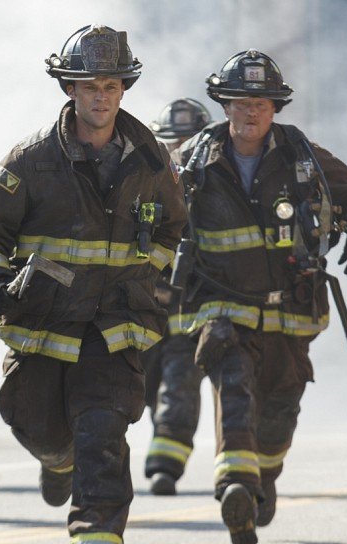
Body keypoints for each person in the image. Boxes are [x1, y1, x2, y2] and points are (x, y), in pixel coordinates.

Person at [0, 25, 185, 544]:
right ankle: (56, 462)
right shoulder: (31, 160)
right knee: (35, 423)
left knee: (103, 431)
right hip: (44, 325)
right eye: (88, 86)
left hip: (112, 328)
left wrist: (141, 282)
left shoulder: (152, 162)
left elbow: (171, 231)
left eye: (110, 85)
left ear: (124, 89)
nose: (100, 97)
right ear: (69, 89)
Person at [170, 50, 347, 544]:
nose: (251, 112)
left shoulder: (302, 157)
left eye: (261, 103)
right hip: (223, 305)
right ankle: (235, 488)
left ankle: (262, 477)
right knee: (234, 387)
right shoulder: (191, 163)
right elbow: (153, 217)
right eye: (241, 102)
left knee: (280, 412)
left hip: (292, 309)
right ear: (224, 104)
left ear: (275, 107)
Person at [141, 98, 211, 496]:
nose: (181, 149)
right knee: (146, 386)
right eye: (173, 142)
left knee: (180, 383)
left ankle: (166, 463)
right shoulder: (141, 182)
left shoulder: (218, 187)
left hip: (192, 310)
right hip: (145, 308)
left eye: (189, 140)